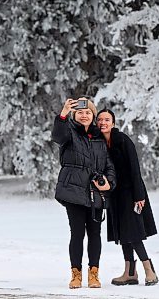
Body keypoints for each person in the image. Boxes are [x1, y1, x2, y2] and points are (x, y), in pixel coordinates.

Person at [51, 98, 116, 289]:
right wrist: (62, 114)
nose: (84, 115)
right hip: (73, 190)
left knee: (95, 234)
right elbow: (57, 136)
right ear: (74, 115)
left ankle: (94, 273)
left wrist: (108, 183)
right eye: (80, 112)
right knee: (77, 234)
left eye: (88, 112)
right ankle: (76, 274)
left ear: (93, 115)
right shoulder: (69, 132)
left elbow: (109, 165)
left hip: (95, 193)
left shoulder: (99, 138)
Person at [96, 108, 159, 286]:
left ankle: (149, 270)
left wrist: (139, 195)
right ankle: (130, 272)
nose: (103, 122)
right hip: (114, 194)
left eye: (107, 119)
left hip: (131, 193)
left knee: (133, 232)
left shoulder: (122, 140)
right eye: (100, 120)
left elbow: (135, 168)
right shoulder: (99, 143)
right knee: (123, 234)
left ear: (113, 123)